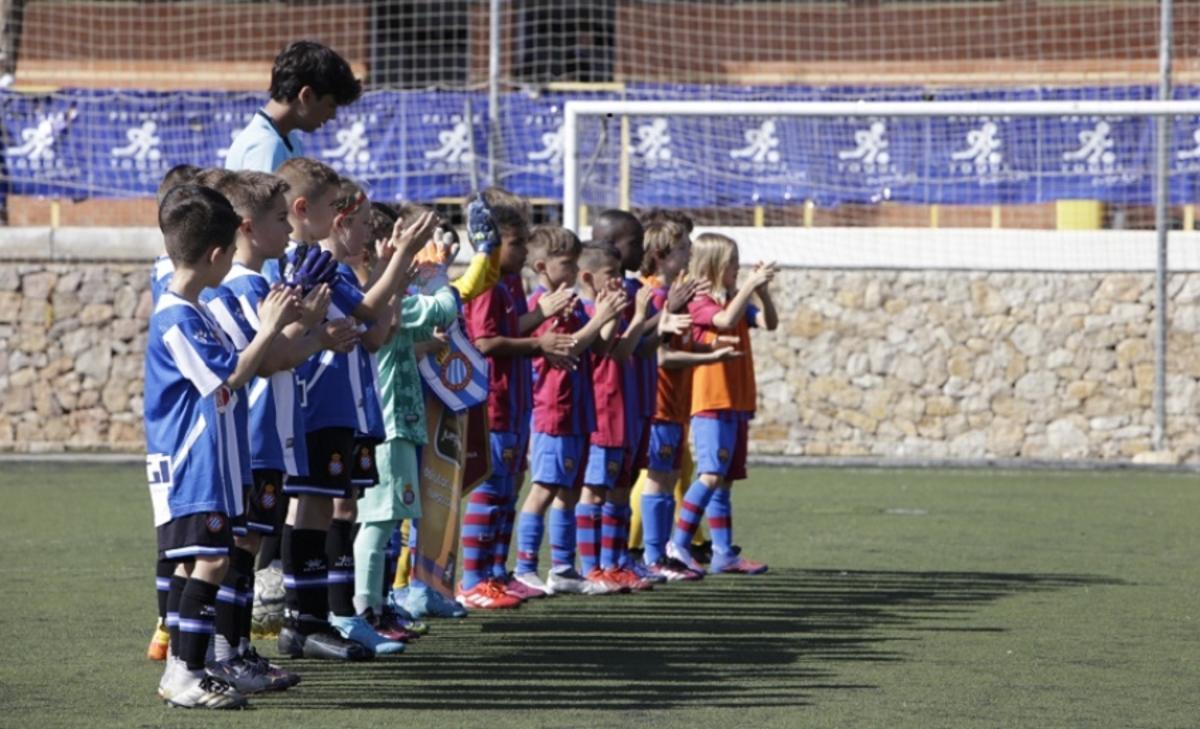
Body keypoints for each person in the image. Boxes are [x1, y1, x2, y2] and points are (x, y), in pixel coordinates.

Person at [198, 169, 359, 690]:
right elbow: (269, 357)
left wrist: (311, 321)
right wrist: (317, 332)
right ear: (246, 227)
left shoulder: (258, 282)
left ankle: (237, 651)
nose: (288, 227)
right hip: (254, 435)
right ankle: (226, 654)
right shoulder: (243, 286)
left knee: (245, 546)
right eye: (276, 217)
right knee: (239, 549)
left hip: (269, 436)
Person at [270, 158, 433, 660]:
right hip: (318, 404)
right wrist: (401, 257)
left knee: (338, 506)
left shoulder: (332, 269)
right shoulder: (309, 264)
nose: (367, 234)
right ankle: (313, 616)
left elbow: (375, 332)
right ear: (333, 218)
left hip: (350, 406)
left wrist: (394, 276)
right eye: (361, 224)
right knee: (316, 506)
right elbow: (363, 316)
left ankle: (329, 615)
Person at [147, 183, 299, 708]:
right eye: (231, 253)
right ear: (216, 255)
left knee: (204, 561)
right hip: (194, 465)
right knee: (210, 561)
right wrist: (271, 329)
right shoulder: (176, 320)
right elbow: (229, 378)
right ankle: (185, 672)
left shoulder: (193, 312)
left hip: (214, 464)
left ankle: (189, 668)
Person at [461, 188, 577, 609]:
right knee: (490, 493)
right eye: (517, 243)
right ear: (490, 242)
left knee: (507, 492)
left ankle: (496, 573)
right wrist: (538, 343)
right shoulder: (488, 284)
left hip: (515, 405)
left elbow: (513, 328)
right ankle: (473, 578)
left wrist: (541, 319)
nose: (524, 251)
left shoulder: (509, 282)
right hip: (493, 404)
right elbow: (486, 342)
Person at [512, 227, 623, 595]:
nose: (574, 270)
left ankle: (563, 568)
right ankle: (525, 566)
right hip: (551, 411)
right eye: (567, 263)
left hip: (577, 410)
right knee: (543, 489)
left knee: (569, 491)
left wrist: (610, 313)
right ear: (543, 266)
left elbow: (600, 347)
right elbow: (570, 348)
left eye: (577, 263)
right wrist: (596, 320)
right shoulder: (541, 306)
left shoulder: (572, 302)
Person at [668, 234, 779, 575]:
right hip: (710, 401)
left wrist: (761, 290)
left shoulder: (734, 299)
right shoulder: (699, 301)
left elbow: (769, 322)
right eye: (733, 264)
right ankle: (678, 544)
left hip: (736, 400)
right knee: (711, 474)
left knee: (725, 479)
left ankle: (723, 553)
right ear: (716, 266)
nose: (737, 269)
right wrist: (749, 285)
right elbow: (724, 321)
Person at [638, 220, 736, 581]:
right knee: (657, 480)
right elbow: (662, 357)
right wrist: (710, 359)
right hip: (659, 403)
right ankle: (653, 555)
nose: (690, 255)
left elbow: (678, 344)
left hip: (674, 404)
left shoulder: (673, 293)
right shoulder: (655, 296)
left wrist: (709, 348)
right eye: (683, 250)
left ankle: (662, 553)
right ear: (662, 256)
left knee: (667, 478)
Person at [224, 40, 361, 173]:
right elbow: (266, 197)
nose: (333, 116)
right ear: (306, 95)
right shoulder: (266, 145)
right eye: (331, 105)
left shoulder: (289, 140)